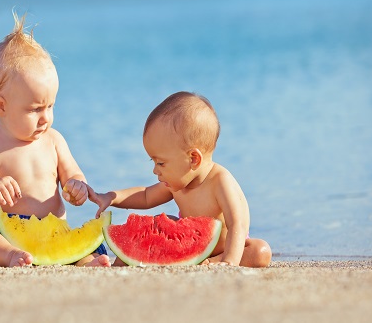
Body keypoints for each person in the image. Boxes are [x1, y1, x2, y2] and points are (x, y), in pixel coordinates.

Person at [0, 12, 110, 268]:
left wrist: (77, 188)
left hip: (53, 233)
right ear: (1, 105)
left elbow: (73, 174)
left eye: (50, 106)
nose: (45, 118)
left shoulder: (54, 140)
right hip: (10, 235)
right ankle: (9, 257)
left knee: (90, 240)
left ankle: (86, 262)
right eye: (34, 109)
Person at [89, 91, 272, 267]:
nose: (155, 170)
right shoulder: (175, 184)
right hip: (185, 246)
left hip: (228, 247)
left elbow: (237, 223)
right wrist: (111, 198)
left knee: (260, 251)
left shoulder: (220, 181)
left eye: (161, 163)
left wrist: (229, 260)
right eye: (153, 161)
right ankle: (121, 262)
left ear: (193, 159)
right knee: (158, 226)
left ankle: (215, 261)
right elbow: (145, 195)